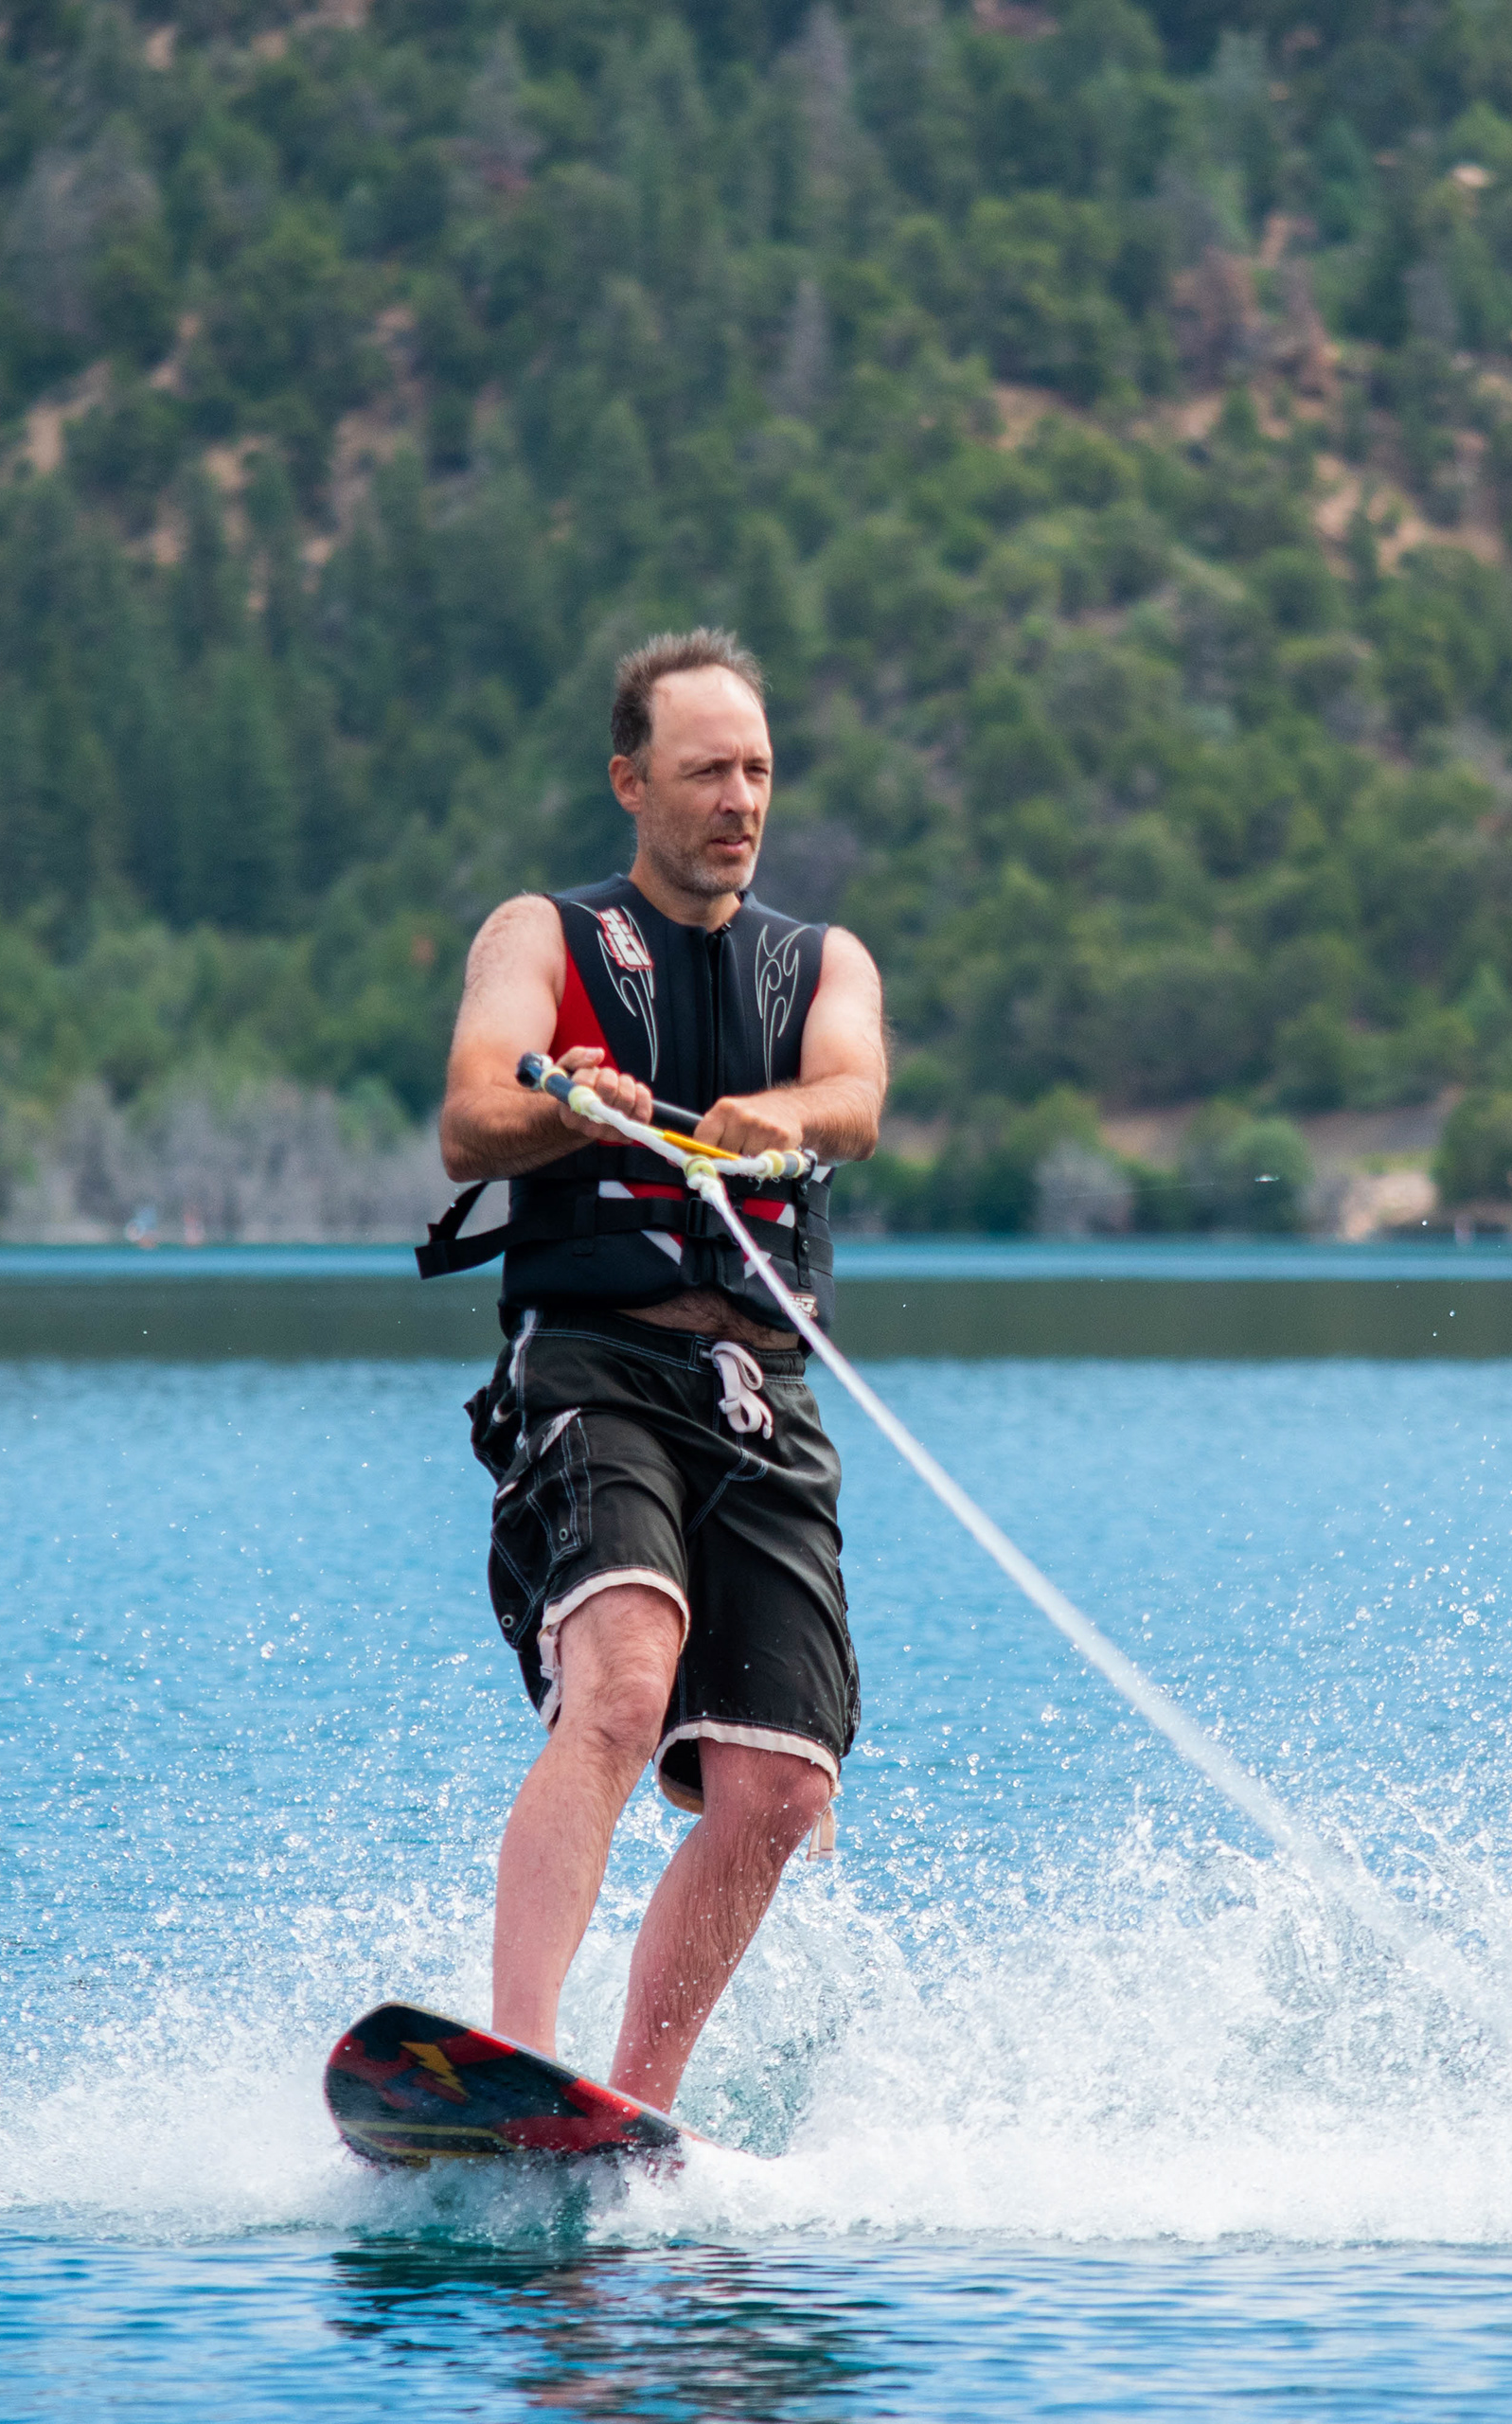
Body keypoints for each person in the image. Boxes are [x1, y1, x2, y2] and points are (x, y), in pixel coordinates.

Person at [424, 627, 887, 2109]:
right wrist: (571, 1110)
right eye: (704, 774)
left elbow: (856, 1092)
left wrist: (785, 1116)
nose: (739, 799)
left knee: (781, 1790)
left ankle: (632, 2107)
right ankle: (517, 2051)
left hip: (760, 1394)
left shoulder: (820, 963)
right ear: (632, 783)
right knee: (623, 1684)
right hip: (594, 1370)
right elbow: (471, 1119)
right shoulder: (541, 938)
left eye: (757, 770)